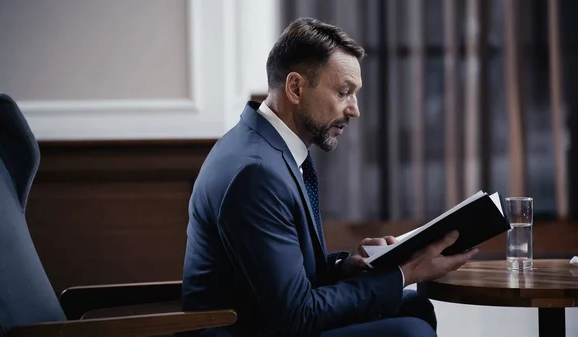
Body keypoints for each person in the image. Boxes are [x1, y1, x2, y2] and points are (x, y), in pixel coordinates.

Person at [181, 17, 478, 337]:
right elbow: (296, 315)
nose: (355, 110)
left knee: (413, 306)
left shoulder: (268, 149)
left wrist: (345, 267)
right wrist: (406, 273)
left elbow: (284, 274)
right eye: (344, 92)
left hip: (271, 318)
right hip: (250, 331)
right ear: (295, 88)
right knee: (410, 333)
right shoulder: (256, 173)